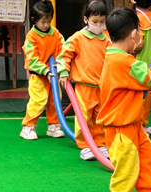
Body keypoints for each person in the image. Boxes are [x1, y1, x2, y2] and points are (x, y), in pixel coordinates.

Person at [99, 6, 151, 192]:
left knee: (148, 159)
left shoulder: (116, 57)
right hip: (120, 127)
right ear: (134, 34)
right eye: (139, 33)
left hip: (132, 124)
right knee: (127, 168)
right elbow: (150, 79)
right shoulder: (123, 62)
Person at [57, 0, 110, 160]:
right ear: (86, 19)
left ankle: (100, 143)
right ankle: (85, 146)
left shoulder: (107, 40)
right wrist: (63, 71)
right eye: (95, 21)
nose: (99, 25)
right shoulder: (78, 38)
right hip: (84, 86)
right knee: (84, 117)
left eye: (102, 22)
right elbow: (64, 54)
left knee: (100, 116)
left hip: (102, 87)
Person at [20, 0, 65, 141]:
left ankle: (53, 125)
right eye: (43, 22)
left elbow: (63, 49)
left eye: (48, 21)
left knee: (55, 99)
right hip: (39, 75)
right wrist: (45, 71)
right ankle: (28, 126)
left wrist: (61, 66)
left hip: (53, 74)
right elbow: (32, 58)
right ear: (34, 19)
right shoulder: (31, 36)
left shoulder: (55, 33)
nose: (46, 25)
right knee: (38, 100)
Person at [132, 0, 151, 134]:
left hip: (142, 63)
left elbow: (139, 44)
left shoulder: (138, 19)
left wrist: (130, 49)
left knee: (143, 96)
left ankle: (142, 125)